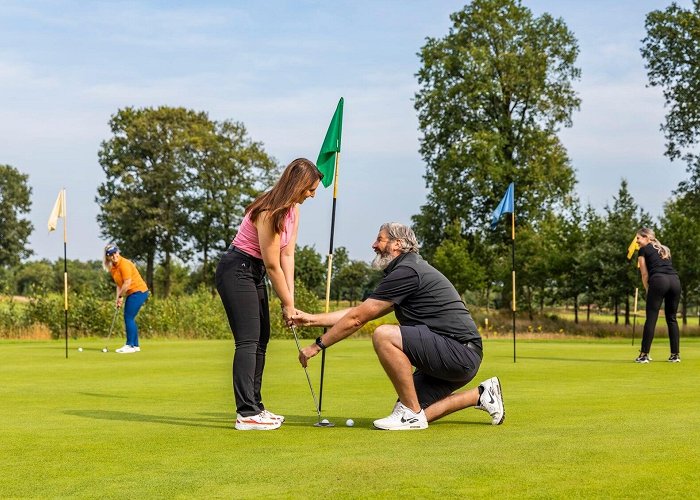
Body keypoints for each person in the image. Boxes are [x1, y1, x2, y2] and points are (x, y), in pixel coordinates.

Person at [294, 222, 504, 430]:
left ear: (397, 244)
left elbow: (357, 319)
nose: (373, 245)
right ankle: (480, 394)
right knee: (413, 410)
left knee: (384, 335)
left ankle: (411, 414)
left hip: (458, 353)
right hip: (460, 355)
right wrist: (311, 319)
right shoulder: (408, 268)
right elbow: (361, 312)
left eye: (380, 239)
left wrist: (316, 347)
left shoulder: (407, 271)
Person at [216, 158, 323, 431]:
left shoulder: (293, 211)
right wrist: (285, 303)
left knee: (262, 338)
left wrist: (292, 302)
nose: (312, 194)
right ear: (298, 184)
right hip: (236, 269)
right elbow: (272, 263)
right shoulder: (268, 211)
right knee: (248, 340)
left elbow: (288, 255)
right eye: (310, 189)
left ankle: (257, 406)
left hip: (254, 271)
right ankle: (245, 413)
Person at [635, 227, 682, 363]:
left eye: (638, 238)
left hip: (659, 280)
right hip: (675, 281)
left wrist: (647, 288)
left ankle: (644, 355)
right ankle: (675, 355)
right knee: (672, 318)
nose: (637, 241)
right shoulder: (665, 249)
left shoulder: (643, 250)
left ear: (647, 238)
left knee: (651, 318)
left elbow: (644, 274)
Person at [103, 244, 149, 354]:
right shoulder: (113, 268)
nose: (114, 256)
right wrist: (118, 299)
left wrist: (121, 296)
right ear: (108, 257)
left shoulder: (124, 264)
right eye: (111, 254)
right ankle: (136, 345)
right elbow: (119, 285)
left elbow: (127, 283)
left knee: (128, 317)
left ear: (118, 252)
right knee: (130, 318)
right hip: (132, 293)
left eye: (115, 253)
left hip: (138, 291)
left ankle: (130, 345)